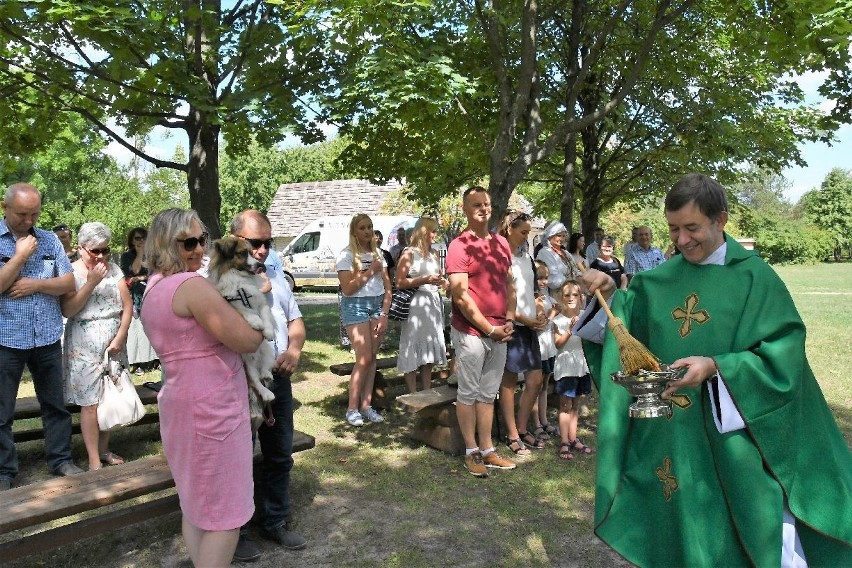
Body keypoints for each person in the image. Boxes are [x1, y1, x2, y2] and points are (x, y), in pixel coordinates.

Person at [576, 173, 852, 566]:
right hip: (677, 438)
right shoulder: (654, 284)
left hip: (738, 439)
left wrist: (716, 367)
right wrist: (605, 295)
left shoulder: (755, 278)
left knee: (754, 527)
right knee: (690, 535)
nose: (682, 240)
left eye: (692, 228)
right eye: (673, 229)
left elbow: (783, 357)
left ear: (720, 220)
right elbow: (622, 335)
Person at [140, 208, 264, 567]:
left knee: (196, 507)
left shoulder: (153, 287)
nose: (198, 248)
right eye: (188, 242)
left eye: (201, 240)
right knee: (226, 515)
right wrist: (257, 305)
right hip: (213, 410)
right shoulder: (190, 286)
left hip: (181, 403)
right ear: (166, 244)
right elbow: (247, 339)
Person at [229, 210, 308, 561]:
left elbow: (296, 322)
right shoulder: (218, 279)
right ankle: (239, 531)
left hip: (277, 378)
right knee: (238, 458)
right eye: (255, 243)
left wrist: (294, 349)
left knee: (279, 454)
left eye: (267, 242)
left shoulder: (276, 276)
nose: (262, 250)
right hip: (239, 379)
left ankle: (275, 521)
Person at [1, 183, 83, 491]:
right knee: (2, 411)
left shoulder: (49, 239)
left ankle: (61, 460)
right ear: (4, 207)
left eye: (34, 213)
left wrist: (35, 284)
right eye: (22, 214)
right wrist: (19, 257)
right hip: (6, 339)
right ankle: (4, 472)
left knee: (55, 405)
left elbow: (68, 281)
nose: (29, 221)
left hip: (47, 335)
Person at [445, 186, 517, 477]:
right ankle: (470, 450)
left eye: (486, 203)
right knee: (469, 392)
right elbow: (461, 297)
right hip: (472, 332)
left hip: (501, 330)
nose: (483, 208)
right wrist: (489, 329)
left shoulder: (501, 243)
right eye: (476, 204)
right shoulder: (459, 246)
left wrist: (509, 319)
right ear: (465, 209)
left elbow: (510, 285)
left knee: (488, 394)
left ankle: (487, 450)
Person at [61, 222, 133, 471]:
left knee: (109, 398)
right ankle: (93, 458)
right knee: (90, 403)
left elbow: (127, 305)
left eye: (105, 249)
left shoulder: (113, 269)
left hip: (113, 345)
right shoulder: (70, 272)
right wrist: (90, 282)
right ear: (81, 248)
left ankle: (104, 450)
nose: (101, 256)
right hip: (84, 346)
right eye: (95, 251)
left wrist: (120, 337)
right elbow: (68, 310)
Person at [497, 210, 547, 456]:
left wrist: (539, 312)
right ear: (509, 229)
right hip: (512, 326)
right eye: (524, 232)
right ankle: (512, 434)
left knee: (535, 380)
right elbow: (501, 299)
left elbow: (533, 292)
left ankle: (522, 426)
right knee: (508, 382)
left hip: (529, 326)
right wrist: (523, 319)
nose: (527, 237)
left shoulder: (526, 257)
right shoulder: (500, 257)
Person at [336, 214, 391, 426]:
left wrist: (384, 315)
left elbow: (388, 289)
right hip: (356, 306)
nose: (367, 232)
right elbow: (348, 289)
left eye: (370, 227)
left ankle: (366, 406)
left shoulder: (378, 254)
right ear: (354, 231)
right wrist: (370, 272)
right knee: (363, 358)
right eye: (362, 228)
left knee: (373, 357)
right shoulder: (346, 255)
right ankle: (352, 409)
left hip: (377, 305)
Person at [395, 217, 447, 393]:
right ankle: (412, 393)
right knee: (412, 346)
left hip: (432, 304)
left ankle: (426, 390)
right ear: (423, 232)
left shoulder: (433, 254)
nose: (435, 235)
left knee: (429, 348)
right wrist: (425, 279)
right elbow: (399, 282)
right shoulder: (409, 253)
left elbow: (437, 276)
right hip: (416, 305)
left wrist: (443, 282)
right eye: (433, 231)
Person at [551, 281, 593, 460]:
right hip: (566, 365)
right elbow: (558, 344)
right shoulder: (558, 320)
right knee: (565, 405)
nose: (570, 299)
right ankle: (564, 442)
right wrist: (570, 329)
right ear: (561, 297)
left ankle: (573, 438)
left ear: (580, 298)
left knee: (576, 404)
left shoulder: (585, 315)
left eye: (574, 295)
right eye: (567, 295)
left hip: (580, 365)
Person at [119, 227, 159, 374]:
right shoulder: (126, 256)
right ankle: (138, 363)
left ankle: (155, 360)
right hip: (135, 297)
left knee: (153, 329)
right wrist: (140, 254)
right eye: (137, 238)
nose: (141, 241)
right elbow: (133, 272)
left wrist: (142, 278)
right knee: (137, 331)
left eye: (143, 238)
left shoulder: (154, 255)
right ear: (132, 240)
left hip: (153, 295)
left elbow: (158, 273)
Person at [530, 261, 560, 440]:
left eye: (546, 278)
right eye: (540, 278)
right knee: (534, 386)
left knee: (544, 385)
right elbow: (540, 325)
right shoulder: (535, 299)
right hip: (538, 347)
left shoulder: (547, 297)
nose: (543, 282)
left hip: (549, 347)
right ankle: (536, 423)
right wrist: (553, 314)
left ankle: (543, 419)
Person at [535, 221, 580, 294]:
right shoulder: (545, 253)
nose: (562, 239)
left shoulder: (566, 253)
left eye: (564, 236)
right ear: (550, 236)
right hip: (556, 295)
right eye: (559, 235)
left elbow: (575, 271)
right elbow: (553, 281)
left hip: (572, 291)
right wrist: (573, 282)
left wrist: (582, 277)